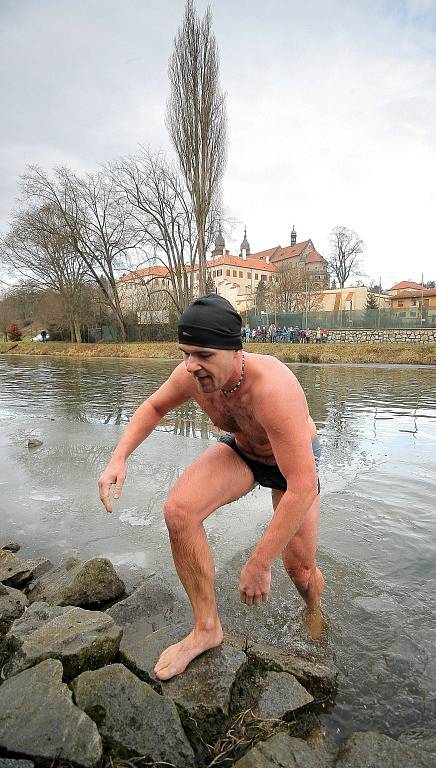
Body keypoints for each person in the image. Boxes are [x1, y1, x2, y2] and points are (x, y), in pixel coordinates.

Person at [98, 295, 324, 682]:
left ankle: (314, 609)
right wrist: (119, 457)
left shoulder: (273, 389)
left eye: (202, 353)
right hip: (243, 450)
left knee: (298, 569)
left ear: (236, 349)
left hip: (291, 465)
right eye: (185, 353)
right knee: (180, 511)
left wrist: (259, 562)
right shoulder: (192, 377)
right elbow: (154, 407)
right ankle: (207, 628)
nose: (191, 366)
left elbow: (302, 487)